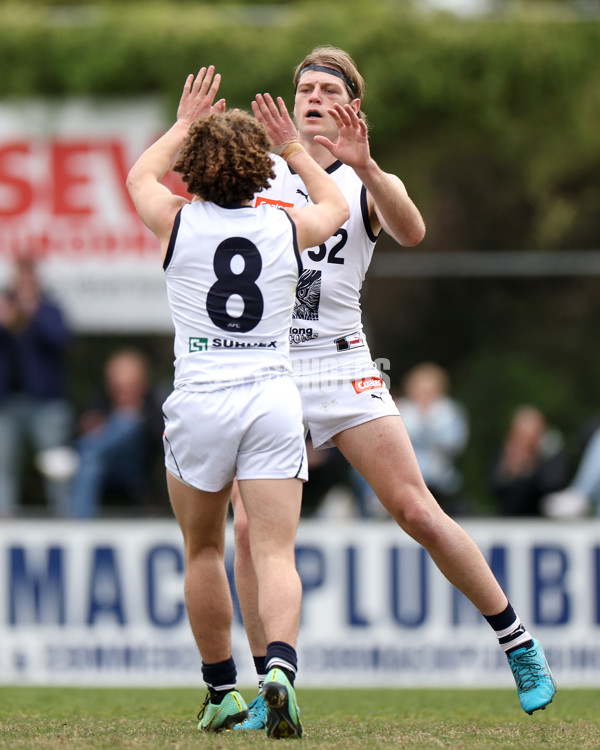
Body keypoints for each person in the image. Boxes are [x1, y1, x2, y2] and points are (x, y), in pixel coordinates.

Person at [230, 45, 556, 731]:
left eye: (327, 88)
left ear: (352, 107)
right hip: (271, 369)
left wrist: (368, 164)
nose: (312, 96)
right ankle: (271, 684)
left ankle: (518, 642)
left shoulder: (361, 181)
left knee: (415, 509)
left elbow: (412, 229)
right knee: (247, 530)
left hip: (341, 364)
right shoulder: (262, 172)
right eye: (304, 88)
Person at [126, 66, 349, 737]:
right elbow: (336, 206)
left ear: (194, 166)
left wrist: (184, 123)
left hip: (200, 398)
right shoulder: (284, 225)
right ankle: (279, 668)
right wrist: (293, 148)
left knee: (202, 551)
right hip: (271, 397)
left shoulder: (174, 221)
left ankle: (222, 690)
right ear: (257, 169)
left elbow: (139, 177)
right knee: (275, 554)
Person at [0, 256, 74, 517]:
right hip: (7, 402)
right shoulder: (4, 307)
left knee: (55, 462)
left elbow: (60, 339)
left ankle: (63, 515)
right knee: (4, 462)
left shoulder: (50, 309)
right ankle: (4, 517)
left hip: (46, 402)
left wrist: (35, 312)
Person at [69, 348, 164, 518]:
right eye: (118, 387)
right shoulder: (99, 401)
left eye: (130, 386)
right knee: (91, 461)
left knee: (126, 424)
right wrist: (91, 426)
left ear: (142, 384)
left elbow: (162, 443)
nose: (123, 392)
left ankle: (82, 452)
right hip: (102, 468)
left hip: (135, 472)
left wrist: (137, 415)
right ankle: (79, 526)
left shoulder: (154, 404)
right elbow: (77, 429)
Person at [395, 362, 470, 516]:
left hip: (442, 483)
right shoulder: (399, 411)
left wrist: (428, 421)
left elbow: (455, 444)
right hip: (407, 480)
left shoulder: (450, 412)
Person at [491, 405, 569, 517]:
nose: (526, 442)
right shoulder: (504, 455)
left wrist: (529, 469)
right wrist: (509, 473)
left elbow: (551, 487)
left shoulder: (551, 455)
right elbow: (498, 492)